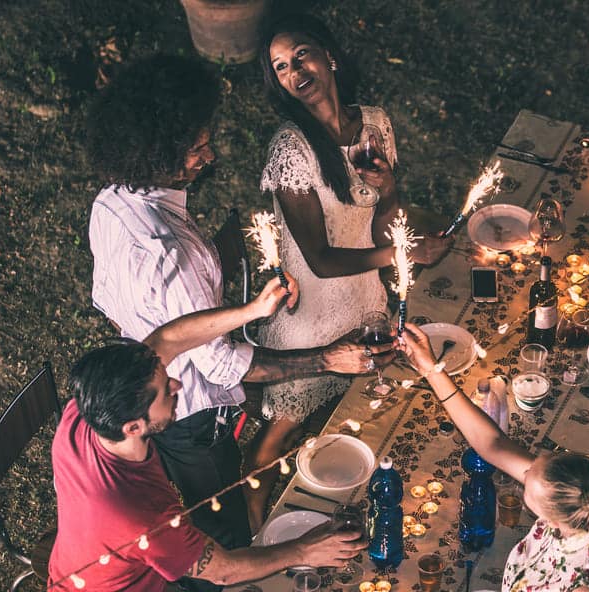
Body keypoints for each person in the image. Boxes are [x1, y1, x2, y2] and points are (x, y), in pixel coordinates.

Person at [84, 54, 392, 591]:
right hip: (196, 421)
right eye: (197, 146)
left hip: (147, 389)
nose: (210, 153)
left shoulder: (110, 202)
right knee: (219, 523)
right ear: (159, 152)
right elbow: (223, 366)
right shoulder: (170, 256)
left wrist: (242, 307)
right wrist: (326, 358)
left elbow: (147, 321)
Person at [248, 13, 452, 526]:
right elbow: (318, 258)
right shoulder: (291, 150)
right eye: (280, 68)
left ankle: (356, 503)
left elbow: (383, 224)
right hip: (310, 313)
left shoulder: (375, 123)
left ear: (329, 56)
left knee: (380, 409)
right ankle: (253, 522)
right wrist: (400, 257)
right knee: (277, 440)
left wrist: (386, 190)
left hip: (366, 302)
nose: (294, 70)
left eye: (300, 55)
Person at [49, 291, 370, 592]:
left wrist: (253, 310)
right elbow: (224, 570)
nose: (177, 384)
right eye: (165, 391)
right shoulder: (141, 516)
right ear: (133, 427)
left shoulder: (85, 414)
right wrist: (304, 551)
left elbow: (168, 338)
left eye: (165, 375)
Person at [397, 325, 589, 592]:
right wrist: (431, 368)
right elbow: (492, 444)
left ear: (549, 517)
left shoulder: (588, 583)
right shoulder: (584, 501)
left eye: (527, 478)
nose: (522, 471)